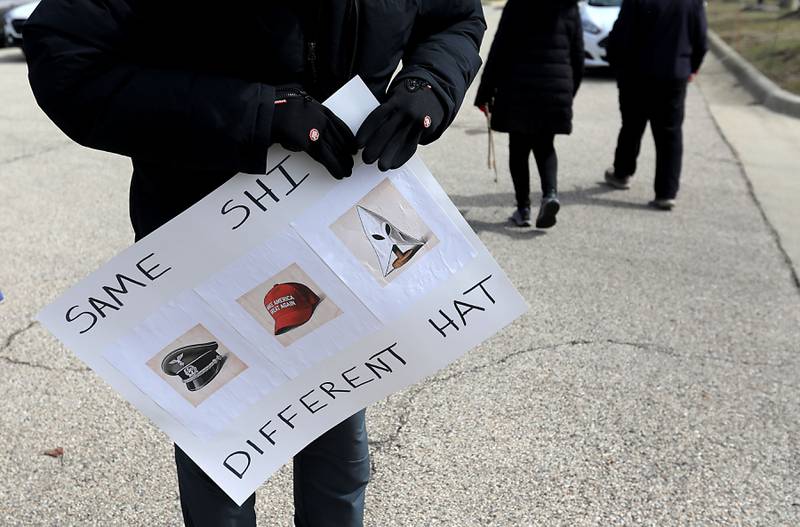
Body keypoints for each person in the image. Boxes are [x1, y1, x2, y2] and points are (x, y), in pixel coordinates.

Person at [23, 1, 485, 526]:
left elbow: (456, 17)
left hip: (340, 232)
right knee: (222, 459)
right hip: (206, 237)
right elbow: (65, 57)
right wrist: (257, 112)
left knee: (338, 453)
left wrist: (428, 86)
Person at [474, 0, 584, 228]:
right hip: (554, 88)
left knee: (519, 148)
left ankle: (523, 208)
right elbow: (578, 54)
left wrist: (485, 92)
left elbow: (499, 50)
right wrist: (568, 91)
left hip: (518, 88)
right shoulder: (568, 7)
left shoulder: (517, 4)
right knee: (545, 146)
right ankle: (550, 195)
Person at [604, 0, 708, 210]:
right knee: (670, 134)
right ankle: (666, 193)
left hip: (636, 75)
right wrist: (691, 68)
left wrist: (616, 65)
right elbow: (701, 41)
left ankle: (622, 173)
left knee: (632, 126)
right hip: (673, 75)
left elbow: (619, 36)